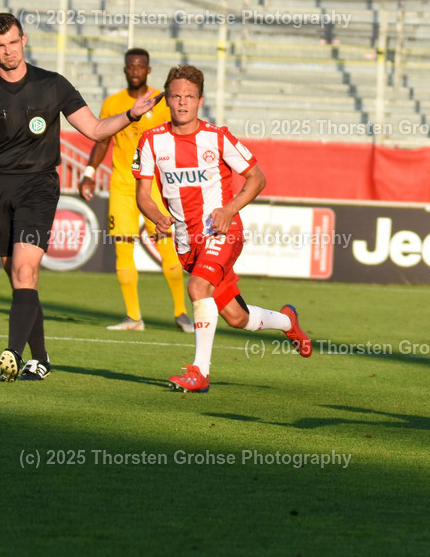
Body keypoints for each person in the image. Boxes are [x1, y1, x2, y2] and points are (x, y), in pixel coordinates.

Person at [0, 12, 160, 381]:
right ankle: (42, 358)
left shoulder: (52, 85)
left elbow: (97, 130)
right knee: (16, 275)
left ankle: (12, 353)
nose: (8, 52)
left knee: (25, 269)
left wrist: (131, 115)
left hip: (37, 187)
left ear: (24, 41)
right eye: (0, 46)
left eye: (13, 43)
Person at [133, 64, 312, 393]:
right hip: (187, 243)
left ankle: (200, 373)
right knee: (235, 317)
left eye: (189, 96)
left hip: (222, 232)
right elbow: (142, 195)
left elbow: (257, 178)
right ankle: (288, 321)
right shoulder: (150, 141)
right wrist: (157, 216)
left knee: (198, 290)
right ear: (166, 101)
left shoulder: (217, 137)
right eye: (175, 96)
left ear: (200, 100)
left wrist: (229, 210)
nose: (182, 102)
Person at [79, 48, 192, 333]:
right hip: (122, 185)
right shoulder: (113, 103)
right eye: (131, 66)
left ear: (148, 70)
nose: (135, 71)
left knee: (167, 246)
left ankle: (181, 312)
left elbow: (180, 133)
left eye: (140, 66)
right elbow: (102, 139)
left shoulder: (162, 100)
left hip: (155, 185)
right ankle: (133, 317)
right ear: (125, 69)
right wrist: (90, 172)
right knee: (123, 248)